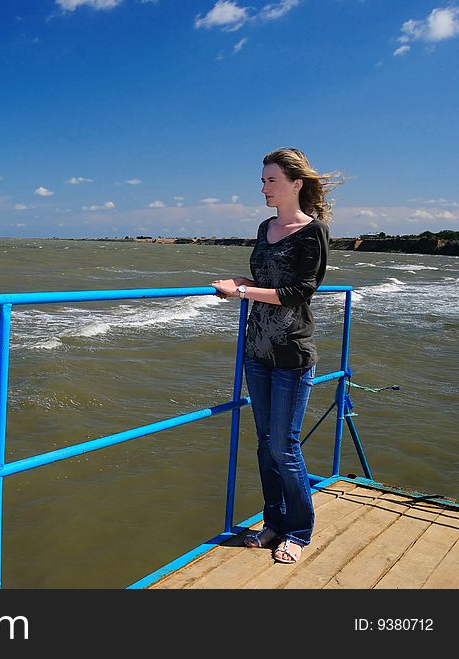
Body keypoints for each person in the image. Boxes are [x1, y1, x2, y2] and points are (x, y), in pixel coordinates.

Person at [211, 147, 343, 564]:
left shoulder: (312, 231)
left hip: (292, 352)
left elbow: (299, 292)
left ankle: (299, 531)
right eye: (263, 181)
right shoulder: (264, 227)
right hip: (257, 349)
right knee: (265, 443)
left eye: (271, 180)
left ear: (296, 184)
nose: (264, 188)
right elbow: (267, 280)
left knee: (285, 445)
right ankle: (274, 522)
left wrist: (245, 291)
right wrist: (241, 280)